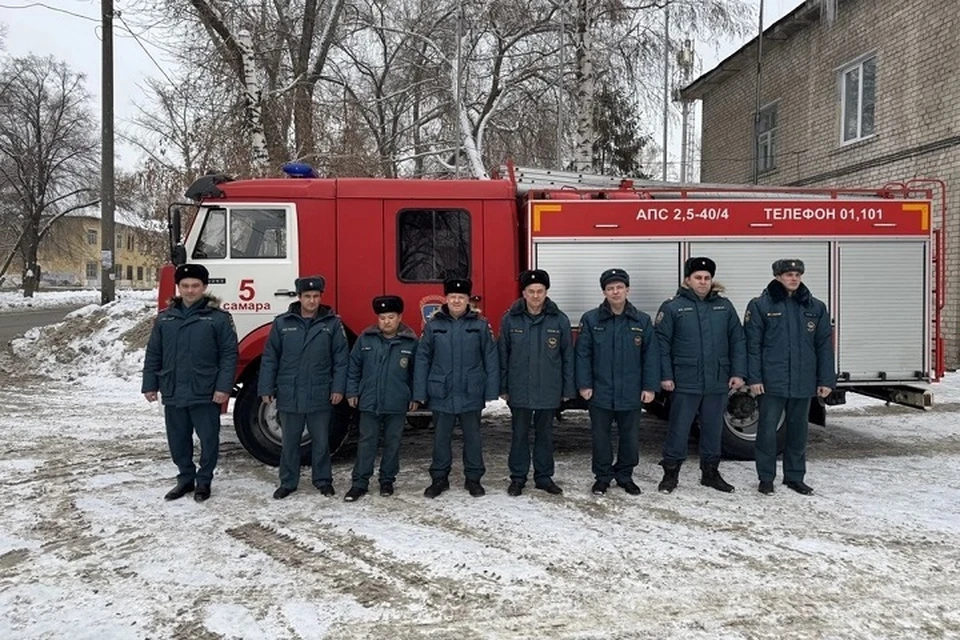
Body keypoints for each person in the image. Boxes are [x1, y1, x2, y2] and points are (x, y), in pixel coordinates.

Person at [142, 263, 238, 502]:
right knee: (177, 438)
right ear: (179, 287)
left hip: (205, 390)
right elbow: (154, 353)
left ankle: (204, 481)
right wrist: (150, 384)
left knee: (208, 439)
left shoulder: (218, 319)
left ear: (204, 287)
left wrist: (223, 387)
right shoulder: (165, 319)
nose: (190, 290)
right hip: (173, 388)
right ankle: (185, 478)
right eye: (185, 286)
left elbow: (229, 355)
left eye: (195, 286)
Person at [654, 257, 746, 494]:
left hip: (717, 379)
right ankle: (670, 475)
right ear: (687, 280)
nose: (703, 282)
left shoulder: (724, 307)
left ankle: (710, 473)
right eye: (698, 278)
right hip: (685, 380)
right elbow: (661, 344)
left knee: (713, 429)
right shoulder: (673, 307)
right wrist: (665, 375)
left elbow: (737, 340)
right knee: (679, 429)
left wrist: (738, 372)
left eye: (706, 278)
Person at [744, 259, 836, 496]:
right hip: (772, 382)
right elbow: (753, 346)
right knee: (766, 432)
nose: (793, 278)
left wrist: (826, 380)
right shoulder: (760, 306)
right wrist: (754, 378)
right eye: (788, 274)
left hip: (803, 382)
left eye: (797, 274)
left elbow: (824, 346)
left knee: (798, 432)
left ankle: (795, 477)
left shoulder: (816, 307)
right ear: (777, 276)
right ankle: (766, 477)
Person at [258, 276, 348, 499]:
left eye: (316, 296)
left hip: (320, 391)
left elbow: (341, 358)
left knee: (321, 441)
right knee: (290, 441)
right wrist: (266, 388)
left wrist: (338, 388)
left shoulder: (332, 324)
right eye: (307, 296)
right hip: (290, 391)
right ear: (299, 297)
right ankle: (288, 482)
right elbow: (270, 358)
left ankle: (323, 480)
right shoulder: (282, 323)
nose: (312, 301)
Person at [575, 268, 660, 496]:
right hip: (600, 392)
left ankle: (625, 475)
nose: (615, 292)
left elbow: (650, 356)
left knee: (630, 437)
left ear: (627, 290)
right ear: (604, 292)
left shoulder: (641, 320)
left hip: (631, 392)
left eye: (619, 287)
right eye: (610, 288)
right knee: (600, 438)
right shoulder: (591, 319)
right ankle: (602, 477)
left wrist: (650, 387)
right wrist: (584, 385)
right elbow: (583, 355)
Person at [413, 277, 499, 498]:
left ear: (468, 300)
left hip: (471, 391)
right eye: (453, 297)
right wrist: (420, 392)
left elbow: (490, 358)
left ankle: (474, 480)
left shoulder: (480, 326)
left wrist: (491, 390)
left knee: (473, 438)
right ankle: (439, 479)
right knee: (441, 439)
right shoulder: (433, 326)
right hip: (442, 391)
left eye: (461, 297)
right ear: (447, 299)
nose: (457, 301)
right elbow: (422, 359)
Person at [499, 269, 575, 496]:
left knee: (545, 436)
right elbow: (503, 355)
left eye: (539, 291)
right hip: (519, 389)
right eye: (530, 291)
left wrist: (567, 389)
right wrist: (503, 387)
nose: (535, 296)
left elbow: (567, 357)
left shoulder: (559, 320)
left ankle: (543, 477)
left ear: (546, 292)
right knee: (519, 435)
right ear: (523, 292)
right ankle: (518, 478)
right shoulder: (510, 319)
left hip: (549, 389)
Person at [344, 295, 419, 501]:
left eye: (391, 317)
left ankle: (387, 480)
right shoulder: (365, 339)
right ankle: (359, 483)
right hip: (369, 401)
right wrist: (352, 392)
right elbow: (354, 368)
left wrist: (415, 396)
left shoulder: (410, 342)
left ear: (399, 317)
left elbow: (416, 373)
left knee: (392, 443)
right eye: (383, 317)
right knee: (366, 442)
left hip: (396, 402)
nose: (386, 321)